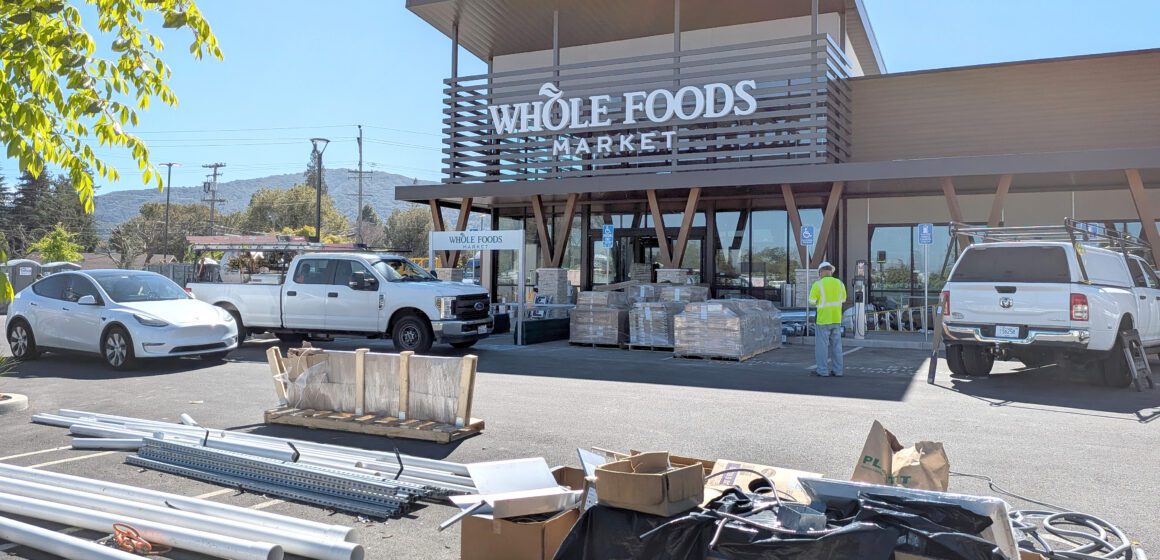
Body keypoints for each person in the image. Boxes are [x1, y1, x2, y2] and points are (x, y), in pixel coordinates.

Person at [809, 262, 847, 377]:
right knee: (837, 346)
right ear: (831, 271)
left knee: (822, 347)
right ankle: (838, 371)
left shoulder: (818, 284)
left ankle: (822, 370)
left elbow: (811, 301)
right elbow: (843, 299)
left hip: (823, 320)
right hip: (836, 319)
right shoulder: (839, 284)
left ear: (820, 272)